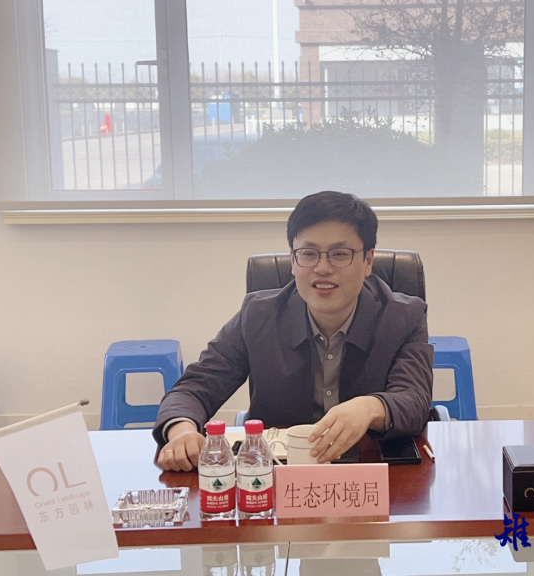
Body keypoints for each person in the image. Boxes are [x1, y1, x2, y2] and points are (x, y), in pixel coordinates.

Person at [154, 191, 433, 471]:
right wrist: (182, 432)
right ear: (293, 261)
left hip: (372, 474)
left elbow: (415, 399)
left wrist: (370, 408)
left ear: (368, 261)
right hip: (277, 477)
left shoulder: (403, 317)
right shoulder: (258, 316)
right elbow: (193, 389)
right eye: (308, 254)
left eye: (340, 254)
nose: (322, 268)